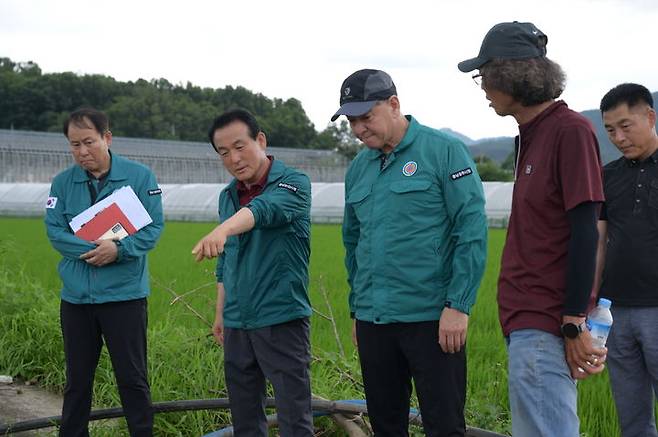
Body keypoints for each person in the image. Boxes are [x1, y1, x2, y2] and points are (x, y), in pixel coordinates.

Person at [458, 21, 607, 436]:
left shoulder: (570, 131)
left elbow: (585, 230)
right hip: (526, 321)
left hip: (547, 322)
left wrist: (573, 321)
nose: (483, 87)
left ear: (510, 74)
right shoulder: (529, 135)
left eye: (484, 75)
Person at [333, 68, 487, 437]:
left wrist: (459, 305)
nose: (358, 129)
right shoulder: (359, 168)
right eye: (351, 121)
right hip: (374, 321)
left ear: (394, 105)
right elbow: (353, 242)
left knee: (444, 424)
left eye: (365, 117)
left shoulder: (443, 151)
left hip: (432, 319)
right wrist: (358, 309)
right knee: (386, 424)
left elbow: (471, 231)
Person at [192, 109, 313, 436]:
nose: (234, 158)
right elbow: (227, 258)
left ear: (260, 140)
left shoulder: (293, 183)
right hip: (237, 320)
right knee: (245, 416)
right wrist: (221, 311)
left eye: (240, 146)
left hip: (280, 317)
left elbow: (264, 210)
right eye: (224, 152)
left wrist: (222, 230)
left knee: (294, 415)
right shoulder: (227, 196)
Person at [45, 108, 164, 437]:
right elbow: (55, 232)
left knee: (132, 379)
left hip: (124, 297)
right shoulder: (63, 182)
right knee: (77, 381)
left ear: (107, 138)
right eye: (74, 145)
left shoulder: (139, 177)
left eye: (88, 142)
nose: (82, 152)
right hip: (77, 300)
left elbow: (153, 228)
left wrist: (119, 250)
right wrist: (94, 250)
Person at [594, 83, 658, 437]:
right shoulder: (608, 176)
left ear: (650, 117)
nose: (618, 137)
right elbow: (599, 243)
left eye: (626, 126)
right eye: (609, 130)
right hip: (614, 314)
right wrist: (589, 303)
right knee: (631, 416)